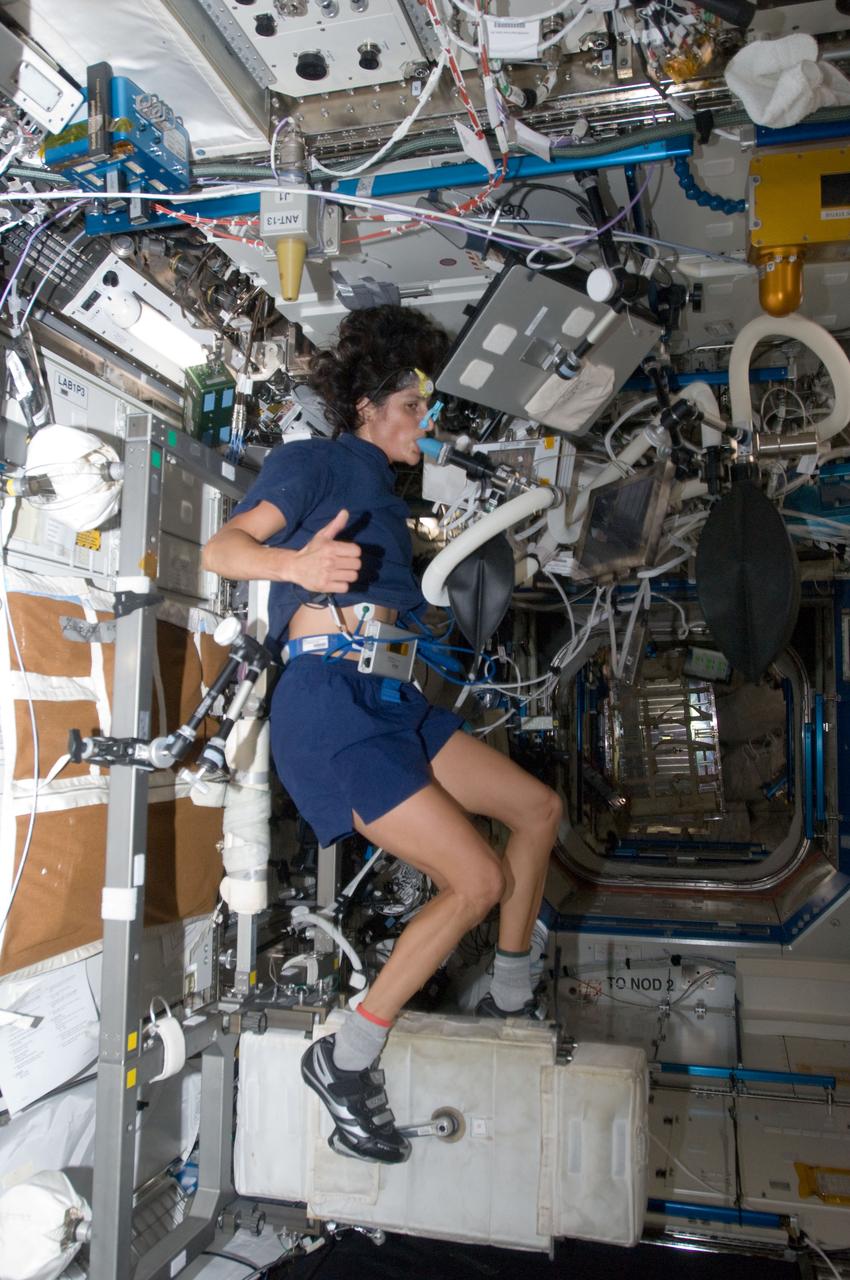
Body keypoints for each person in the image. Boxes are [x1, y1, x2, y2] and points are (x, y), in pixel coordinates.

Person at [202, 305, 562, 1166]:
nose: (422, 422)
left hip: (394, 703)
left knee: (537, 810)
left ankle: (511, 995)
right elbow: (222, 549)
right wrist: (292, 566)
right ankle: (346, 1054)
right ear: (365, 404)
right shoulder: (314, 462)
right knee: (476, 879)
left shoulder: (391, 499)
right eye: (411, 406)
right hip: (329, 707)